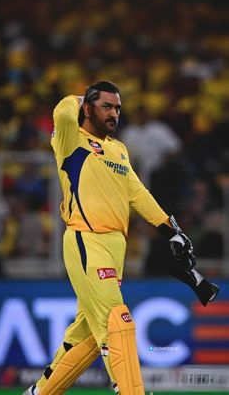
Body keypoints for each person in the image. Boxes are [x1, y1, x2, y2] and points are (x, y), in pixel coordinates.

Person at [23, 81, 217, 395]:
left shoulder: (119, 149)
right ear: (87, 108)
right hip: (87, 240)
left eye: (117, 108)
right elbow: (61, 110)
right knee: (118, 320)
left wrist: (171, 231)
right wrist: (81, 96)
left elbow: (137, 193)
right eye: (106, 106)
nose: (114, 113)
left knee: (85, 338)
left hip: (116, 247)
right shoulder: (73, 140)